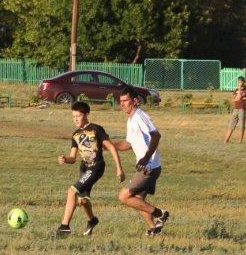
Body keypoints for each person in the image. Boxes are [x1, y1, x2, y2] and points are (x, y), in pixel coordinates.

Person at [55, 101, 124, 237]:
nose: (75, 119)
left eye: (78, 116)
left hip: (96, 167)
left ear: (86, 114)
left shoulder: (96, 129)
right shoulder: (75, 134)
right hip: (84, 168)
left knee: (72, 191)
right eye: (73, 116)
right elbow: (73, 158)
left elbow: (111, 147)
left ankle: (64, 226)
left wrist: (119, 168)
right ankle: (92, 220)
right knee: (82, 201)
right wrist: (65, 159)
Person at [113, 88, 170, 236]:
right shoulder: (131, 119)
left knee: (124, 196)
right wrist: (109, 146)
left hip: (148, 167)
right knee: (138, 200)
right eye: (121, 102)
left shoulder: (140, 116)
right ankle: (153, 229)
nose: (122, 104)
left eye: (125, 101)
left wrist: (146, 158)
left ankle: (160, 214)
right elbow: (128, 144)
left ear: (135, 100)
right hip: (146, 165)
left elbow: (156, 136)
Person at [224, 76, 246, 144]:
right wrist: (236, 98)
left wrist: (239, 91)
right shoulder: (235, 90)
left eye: (241, 82)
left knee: (241, 125)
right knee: (231, 124)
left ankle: (240, 141)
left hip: (242, 109)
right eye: (239, 82)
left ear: (244, 82)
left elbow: (240, 97)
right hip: (236, 109)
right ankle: (226, 140)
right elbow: (234, 99)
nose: (240, 83)